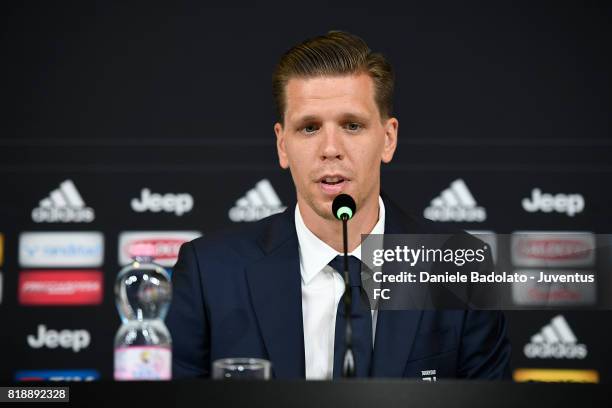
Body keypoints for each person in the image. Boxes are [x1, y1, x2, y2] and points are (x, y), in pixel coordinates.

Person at [166, 31, 511, 379]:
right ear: (282, 145)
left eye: (352, 125)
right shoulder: (209, 272)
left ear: (388, 139)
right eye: (309, 127)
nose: (331, 148)